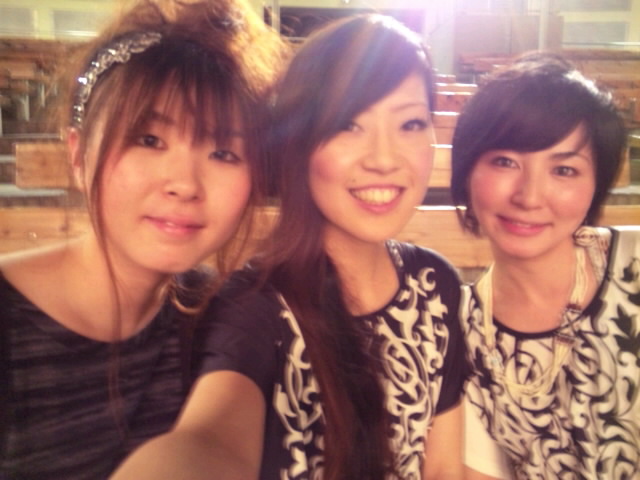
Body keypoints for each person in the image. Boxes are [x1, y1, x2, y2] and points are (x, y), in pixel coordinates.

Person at [112, 14, 466, 480]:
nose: (384, 159)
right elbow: (208, 440)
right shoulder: (255, 307)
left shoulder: (435, 284)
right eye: (348, 125)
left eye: (411, 123)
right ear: (299, 142)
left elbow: (443, 468)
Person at [0, 0, 284, 478]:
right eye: (149, 140)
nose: (185, 184)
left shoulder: (220, 313)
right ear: (78, 156)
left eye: (223, 152)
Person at [450, 53, 639, 479]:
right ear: (467, 170)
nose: (530, 196)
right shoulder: (459, 332)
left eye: (564, 170)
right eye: (505, 162)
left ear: (596, 185)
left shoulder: (634, 266)